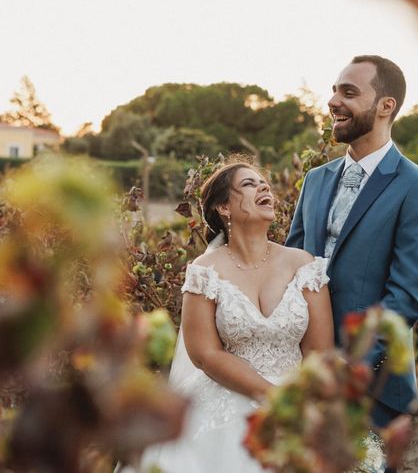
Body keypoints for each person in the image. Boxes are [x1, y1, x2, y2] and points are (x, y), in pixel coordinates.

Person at [285, 55, 418, 472]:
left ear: (385, 106)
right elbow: (293, 268)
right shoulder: (315, 180)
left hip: (372, 387)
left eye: (349, 92)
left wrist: (350, 364)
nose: (333, 101)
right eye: (335, 90)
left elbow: (407, 297)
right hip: (302, 374)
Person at [134, 161, 336, 472]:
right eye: (249, 184)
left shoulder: (302, 264)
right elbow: (205, 354)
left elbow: (318, 351)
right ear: (224, 207)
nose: (264, 187)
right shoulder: (205, 271)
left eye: (264, 183)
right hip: (226, 397)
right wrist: (271, 396)